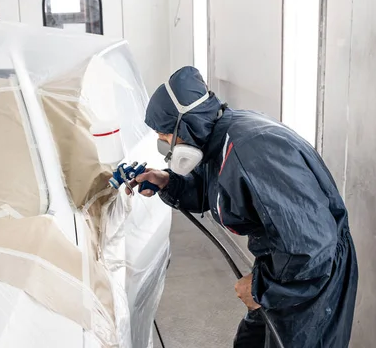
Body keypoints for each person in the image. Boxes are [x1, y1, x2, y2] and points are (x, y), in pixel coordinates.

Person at [128, 66, 358, 348]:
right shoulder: (219, 137)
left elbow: (312, 246)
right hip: (282, 269)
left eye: (165, 135)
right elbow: (219, 192)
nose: (164, 143)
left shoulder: (254, 151)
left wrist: (262, 288)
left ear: (186, 125)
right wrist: (169, 182)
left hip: (310, 282)